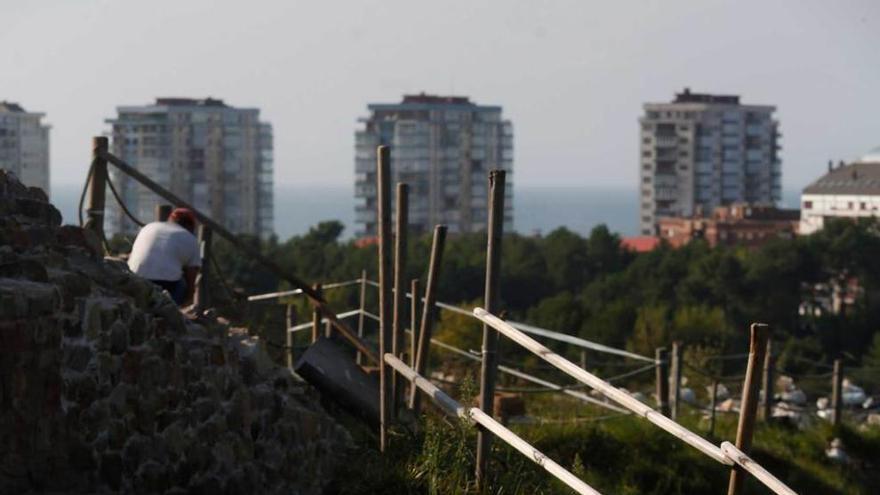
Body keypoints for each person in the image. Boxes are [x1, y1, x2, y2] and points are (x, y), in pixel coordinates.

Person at [127, 208, 201, 306]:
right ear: (190, 226)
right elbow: (192, 273)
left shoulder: (149, 227)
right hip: (165, 285)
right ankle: (172, 309)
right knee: (183, 282)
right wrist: (190, 297)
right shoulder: (190, 239)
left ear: (170, 219)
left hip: (134, 278)